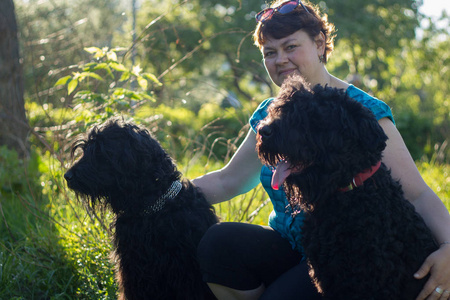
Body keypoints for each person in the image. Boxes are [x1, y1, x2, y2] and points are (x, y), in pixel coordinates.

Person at [192, 1, 450, 299]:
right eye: (270, 53)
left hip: (347, 250)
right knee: (219, 244)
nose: (280, 60)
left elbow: (417, 194)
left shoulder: (360, 112)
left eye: (290, 47)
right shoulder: (271, 116)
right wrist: (166, 193)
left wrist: (448, 249)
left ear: (319, 43)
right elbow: (228, 180)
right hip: (293, 244)